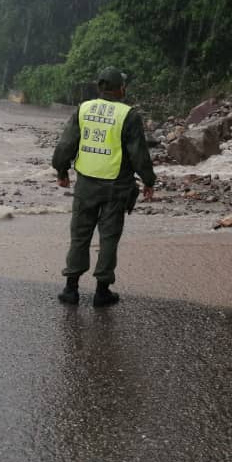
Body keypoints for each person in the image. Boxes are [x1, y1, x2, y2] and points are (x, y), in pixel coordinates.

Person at [52, 67, 156, 307]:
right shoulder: (129, 115)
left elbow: (67, 143)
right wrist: (149, 180)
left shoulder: (84, 108)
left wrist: (61, 170)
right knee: (108, 238)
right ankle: (101, 292)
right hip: (116, 186)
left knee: (79, 235)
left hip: (86, 183)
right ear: (121, 88)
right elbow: (138, 154)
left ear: (100, 88)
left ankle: (71, 290)